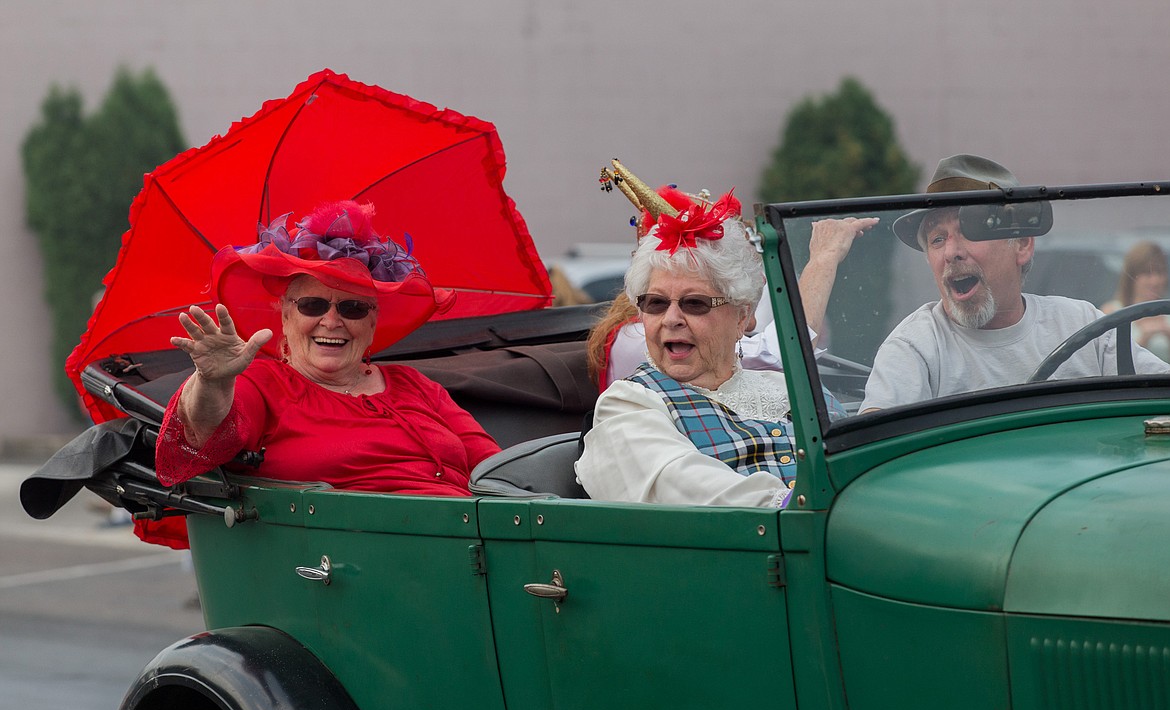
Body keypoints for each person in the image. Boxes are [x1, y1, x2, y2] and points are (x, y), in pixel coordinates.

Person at [155, 200, 501, 500]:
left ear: (372, 324)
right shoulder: (264, 383)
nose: (331, 321)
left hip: (471, 538)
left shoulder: (416, 385)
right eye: (312, 305)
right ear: (286, 315)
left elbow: (500, 469)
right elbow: (204, 432)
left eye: (353, 308)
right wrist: (211, 381)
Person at [575, 164, 871, 508]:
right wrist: (806, 508)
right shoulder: (628, 406)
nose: (671, 319)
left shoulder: (793, 391)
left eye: (695, 303)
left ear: (744, 316)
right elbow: (687, 487)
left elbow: (865, 467)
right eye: (655, 303)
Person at [861, 154, 1170, 412]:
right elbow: (870, 456)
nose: (951, 252)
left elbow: (1159, 398)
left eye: (970, 230)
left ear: (1021, 245)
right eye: (937, 238)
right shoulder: (916, 347)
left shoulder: (1085, 327)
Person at [1102, 240, 1170, 361]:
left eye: (1159, 273)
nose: (1155, 281)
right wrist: (1143, 340)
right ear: (1131, 277)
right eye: (1147, 273)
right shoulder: (1112, 313)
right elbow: (1106, 361)